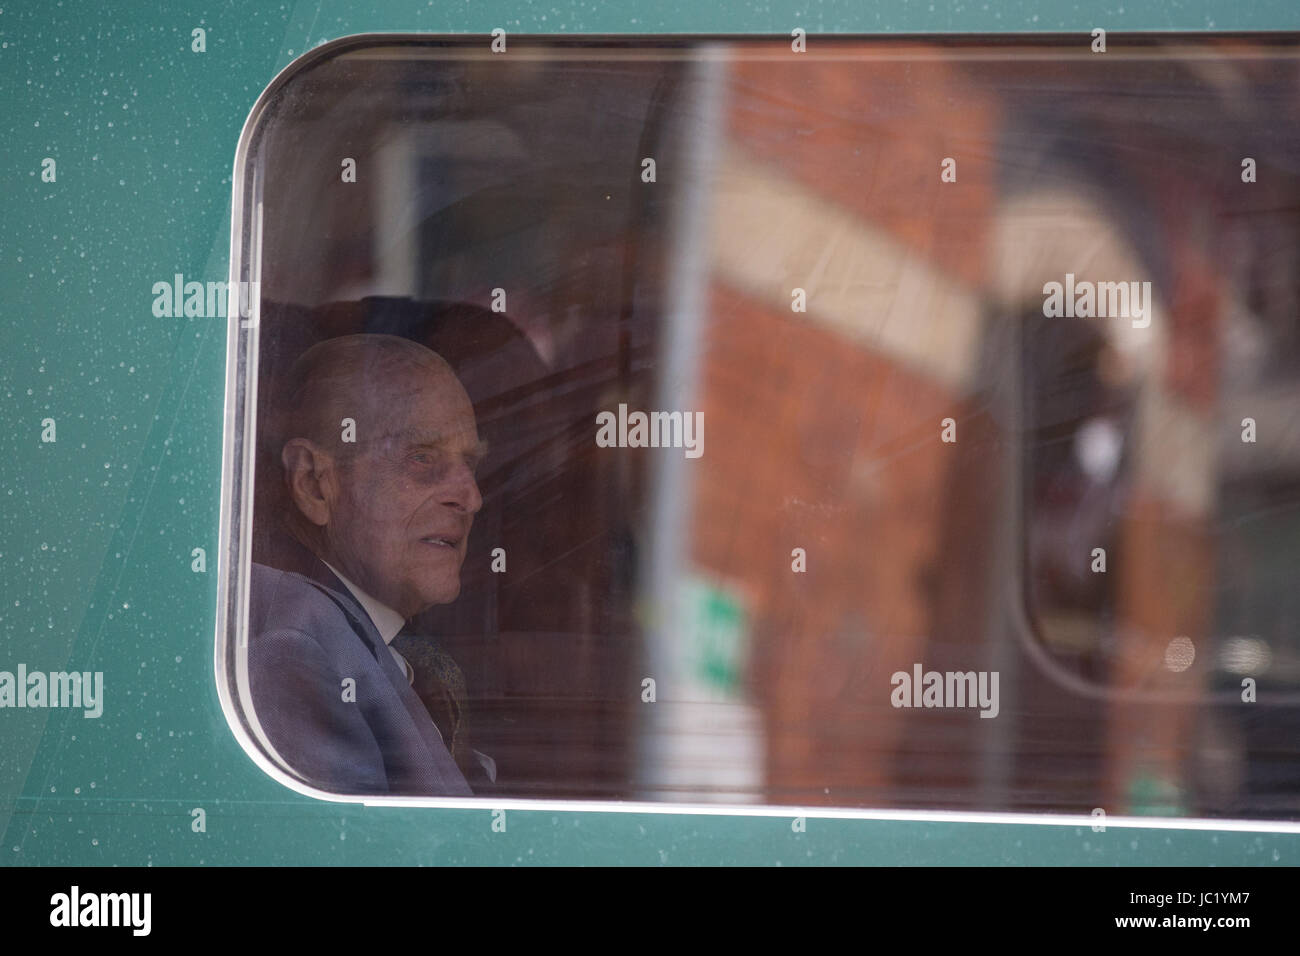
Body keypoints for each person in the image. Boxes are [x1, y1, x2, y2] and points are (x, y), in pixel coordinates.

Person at [247, 333, 490, 796]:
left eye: (470, 465)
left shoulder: (360, 633)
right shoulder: (296, 649)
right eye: (422, 458)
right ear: (315, 483)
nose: (471, 498)